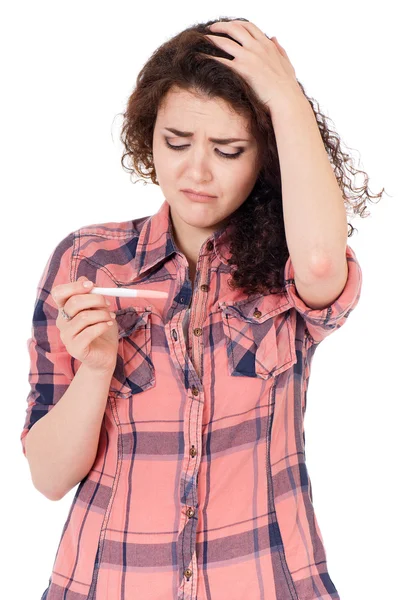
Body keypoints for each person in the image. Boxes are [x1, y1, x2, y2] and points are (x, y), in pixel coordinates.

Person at [21, 17, 381, 600]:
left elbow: (320, 267)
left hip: (266, 582)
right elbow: (49, 476)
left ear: (264, 155)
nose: (196, 172)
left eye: (229, 149)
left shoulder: (285, 264)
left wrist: (286, 98)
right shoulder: (89, 259)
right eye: (177, 142)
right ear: (149, 134)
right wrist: (94, 367)